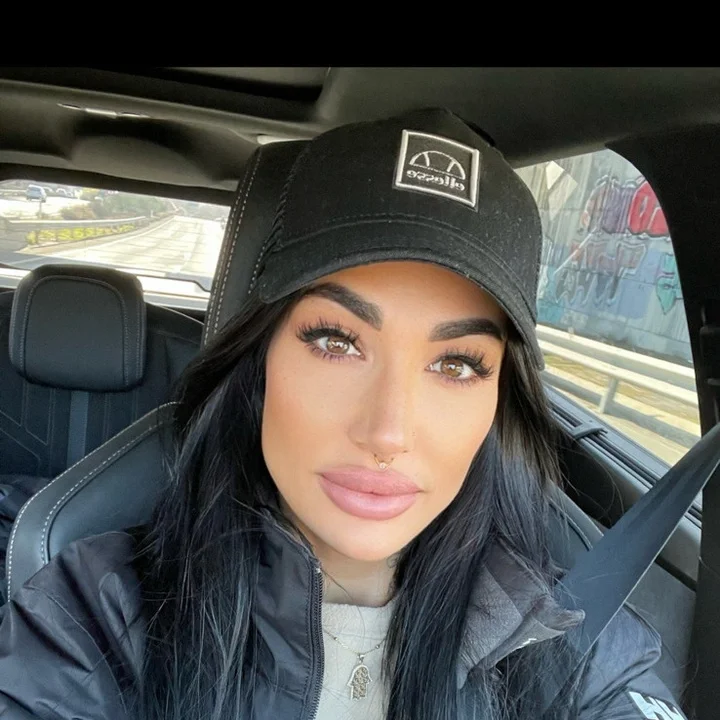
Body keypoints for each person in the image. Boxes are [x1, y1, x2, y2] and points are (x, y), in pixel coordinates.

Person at [0, 108, 687, 720]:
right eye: (336, 342)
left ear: (497, 401)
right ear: (260, 362)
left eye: (457, 365)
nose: (387, 433)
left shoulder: (568, 644)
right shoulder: (94, 619)